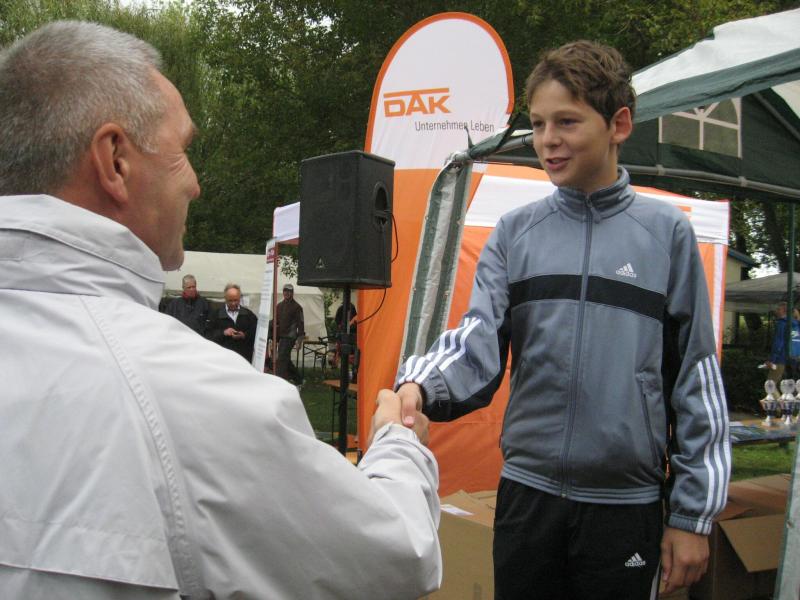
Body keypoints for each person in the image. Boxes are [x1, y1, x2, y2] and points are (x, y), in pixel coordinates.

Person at [0, 21, 440, 599]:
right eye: (183, 151)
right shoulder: (184, 395)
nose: (196, 185)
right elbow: (395, 557)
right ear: (115, 162)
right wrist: (398, 443)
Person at [395, 40, 730, 599]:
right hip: (528, 500)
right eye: (538, 123)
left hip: (626, 508)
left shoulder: (666, 234)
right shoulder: (514, 233)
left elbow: (696, 379)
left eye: (567, 121)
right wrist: (419, 385)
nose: (547, 139)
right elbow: (477, 341)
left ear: (618, 124)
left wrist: (692, 517)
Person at [206, 283, 258, 362]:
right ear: (225, 299)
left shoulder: (249, 315)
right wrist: (223, 333)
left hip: (244, 360)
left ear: (239, 298)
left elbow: (256, 333)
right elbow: (208, 335)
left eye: (236, 300)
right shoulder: (216, 315)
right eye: (230, 300)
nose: (233, 303)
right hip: (223, 360)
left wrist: (244, 335)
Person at [274, 283, 305, 383]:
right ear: (283, 292)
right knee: (285, 359)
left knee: (281, 359)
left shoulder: (297, 307)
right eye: (285, 291)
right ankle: (299, 380)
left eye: (289, 291)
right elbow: (276, 323)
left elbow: (301, 324)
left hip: (290, 337)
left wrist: (299, 340)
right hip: (281, 336)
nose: (287, 293)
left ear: (292, 293)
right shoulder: (279, 306)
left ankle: (280, 381)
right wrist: (273, 337)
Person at [765, 301, 800, 381]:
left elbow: (779, 343)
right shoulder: (796, 325)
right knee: (791, 384)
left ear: (784, 311)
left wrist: (772, 360)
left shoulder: (782, 323)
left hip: (781, 358)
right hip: (795, 359)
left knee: (770, 384)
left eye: (778, 309)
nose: (776, 311)